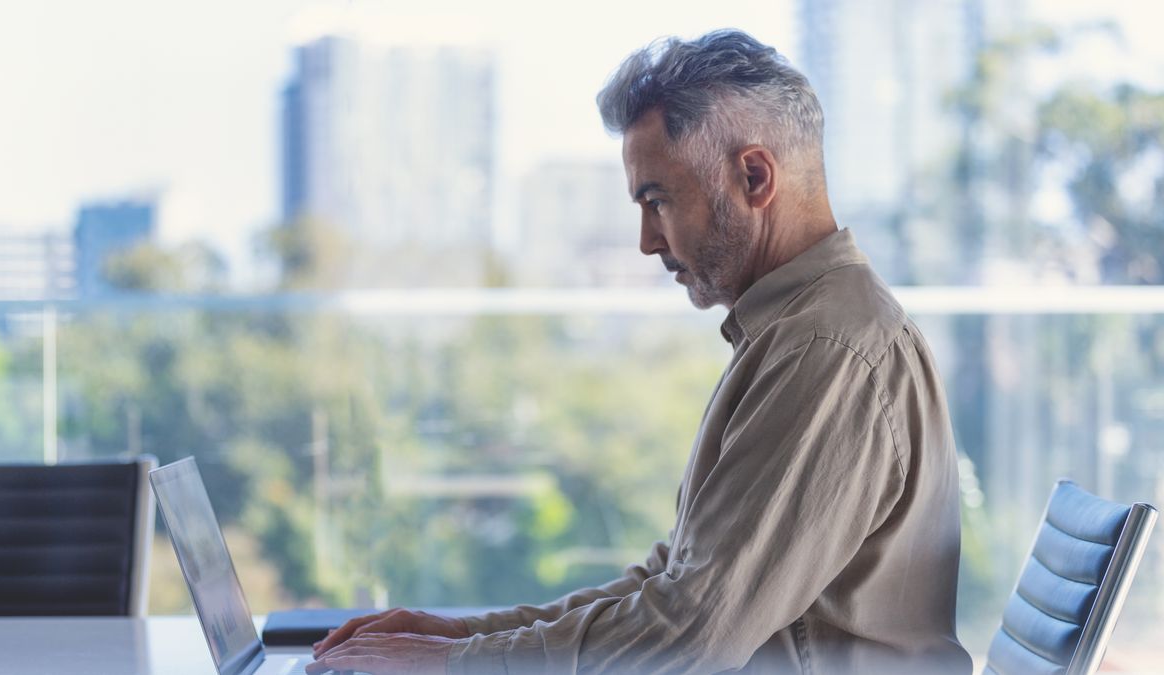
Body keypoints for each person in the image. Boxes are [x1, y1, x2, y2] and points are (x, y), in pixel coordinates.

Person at [307, 29, 974, 675]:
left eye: (658, 200)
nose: (647, 241)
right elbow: (675, 582)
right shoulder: (799, 331)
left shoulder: (824, 350)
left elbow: (691, 631)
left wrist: (457, 664)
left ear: (753, 176)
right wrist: (466, 636)